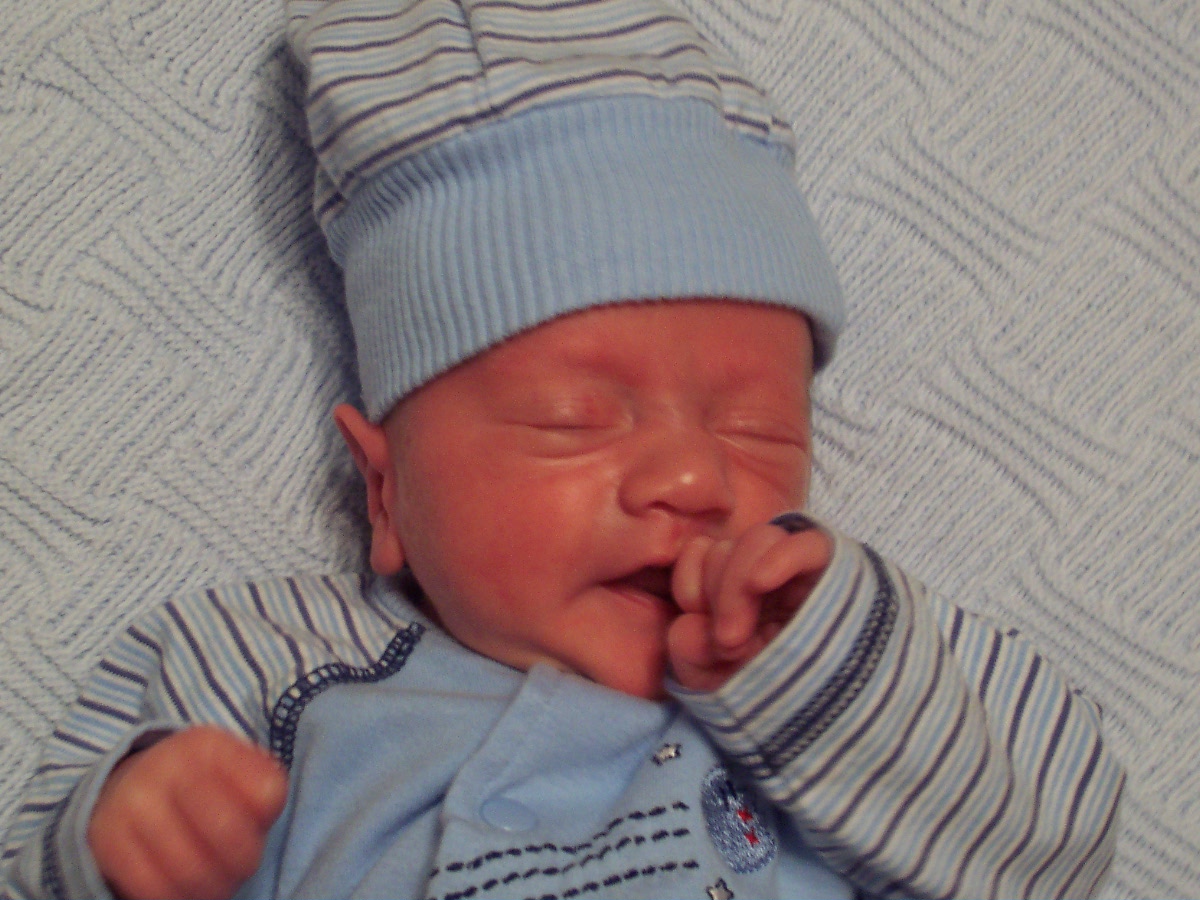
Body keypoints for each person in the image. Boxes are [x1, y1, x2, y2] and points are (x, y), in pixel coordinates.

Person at [0, 1, 1124, 899]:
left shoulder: (837, 681)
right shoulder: (260, 663)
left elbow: (1056, 854)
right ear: (385, 491)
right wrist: (114, 845)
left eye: (758, 428)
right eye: (575, 417)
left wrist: (829, 661)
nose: (696, 478)